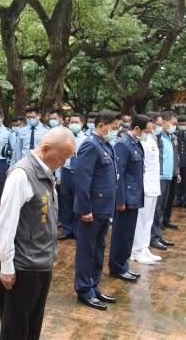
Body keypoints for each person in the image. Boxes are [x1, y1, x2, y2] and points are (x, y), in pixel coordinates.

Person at [0, 127, 75, 340]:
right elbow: (6, 223)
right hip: (23, 268)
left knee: (32, 326)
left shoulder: (46, 172)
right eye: (64, 156)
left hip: (41, 263)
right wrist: (6, 266)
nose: (65, 162)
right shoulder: (21, 175)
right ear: (47, 149)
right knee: (15, 329)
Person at [73, 109, 121, 310]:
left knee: (98, 249)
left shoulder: (105, 145)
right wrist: (85, 209)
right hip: (91, 210)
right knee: (87, 250)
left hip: (104, 209)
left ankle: (93, 285)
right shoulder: (90, 146)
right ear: (101, 126)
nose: (116, 132)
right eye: (114, 128)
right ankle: (84, 290)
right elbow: (83, 181)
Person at [108, 114, 152, 283]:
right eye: (146, 131)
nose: (148, 134)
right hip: (125, 198)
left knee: (128, 234)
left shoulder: (136, 144)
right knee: (121, 234)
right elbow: (119, 175)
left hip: (134, 196)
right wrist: (120, 200)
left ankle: (123, 265)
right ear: (136, 129)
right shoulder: (123, 145)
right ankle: (117, 267)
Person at [131, 115, 162, 265]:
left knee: (148, 220)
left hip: (153, 185)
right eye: (148, 131)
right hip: (144, 186)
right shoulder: (138, 142)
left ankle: (144, 248)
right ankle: (136, 251)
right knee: (140, 221)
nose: (150, 133)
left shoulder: (150, 139)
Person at [150, 111, 180, 251]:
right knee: (157, 209)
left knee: (164, 208)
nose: (175, 126)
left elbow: (175, 156)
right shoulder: (156, 137)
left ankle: (158, 234)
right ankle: (154, 237)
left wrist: (176, 172)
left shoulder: (172, 137)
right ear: (165, 122)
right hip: (159, 177)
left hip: (170, 176)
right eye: (173, 124)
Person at [57, 113, 87, 240]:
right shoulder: (64, 138)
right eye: (71, 122)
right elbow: (59, 156)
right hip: (66, 172)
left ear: (82, 123)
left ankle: (78, 230)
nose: (73, 124)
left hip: (80, 174)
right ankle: (67, 229)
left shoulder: (87, 139)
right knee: (66, 202)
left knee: (78, 202)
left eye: (76, 122)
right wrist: (58, 175)